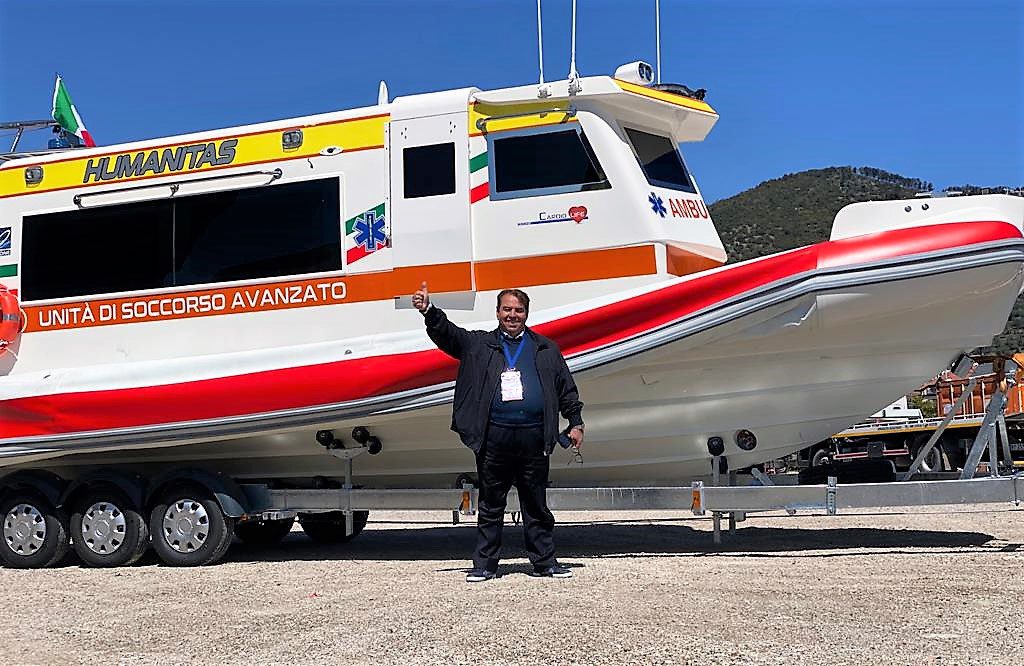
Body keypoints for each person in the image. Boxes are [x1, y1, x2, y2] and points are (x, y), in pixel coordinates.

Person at [412, 282, 584, 582]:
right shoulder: (479, 345)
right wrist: (429, 311)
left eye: (518, 310)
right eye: (507, 309)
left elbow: (565, 388)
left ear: (527, 314)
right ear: (497, 312)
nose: (512, 315)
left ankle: (545, 563)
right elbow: (448, 334)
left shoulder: (545, 348)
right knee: (491, 505)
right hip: (495, 438)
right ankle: (485, 566)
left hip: (534, 437)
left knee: (536, 504)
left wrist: (575, 421)